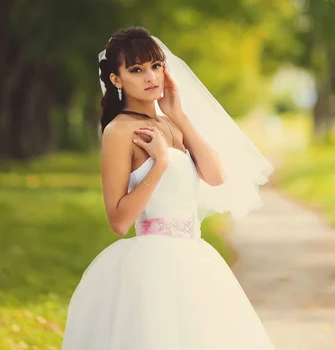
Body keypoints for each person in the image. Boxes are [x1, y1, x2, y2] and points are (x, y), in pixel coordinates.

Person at [61, 26, 276, 349]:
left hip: (196, 259)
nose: (150, 77)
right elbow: (118, 222)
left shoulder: (171, 122)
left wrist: (179, 114)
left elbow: (216, 175)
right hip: (153, 265)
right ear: (116, 80)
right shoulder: (120, 132)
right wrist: (159, 165)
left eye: (156, 66)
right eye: (136, 70)